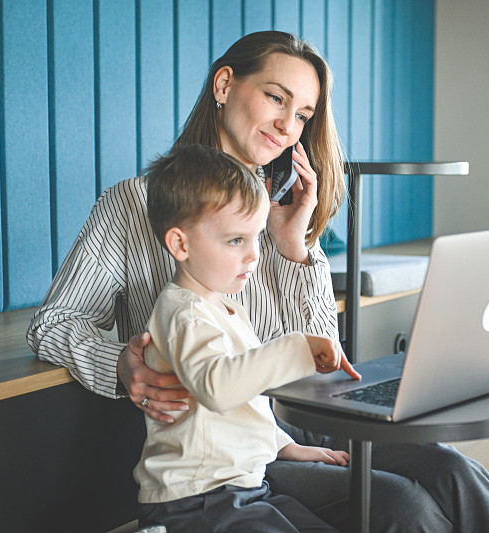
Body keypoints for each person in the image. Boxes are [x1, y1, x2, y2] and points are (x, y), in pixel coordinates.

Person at [27, 30, 489, 532]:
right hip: (226, 453)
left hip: (298, 419)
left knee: (453, 469)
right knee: (405, 506)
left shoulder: (280, 211)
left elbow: (322, 354)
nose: (289, 127)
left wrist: (295, 248)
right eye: (275, 98)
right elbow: (53, 324)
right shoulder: (131, 206)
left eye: (304, 115)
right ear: (224, 85)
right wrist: (119, 366)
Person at [136, 143, 360, 532]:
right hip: (196, 501)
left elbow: (243, 404)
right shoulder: (184, 313)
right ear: (180, 244)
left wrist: (286, 445)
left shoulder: (226, 307)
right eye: (236, 240)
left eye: (256, 237)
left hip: (243, 490)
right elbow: (218, 388)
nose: (254, 255)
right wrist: (297, 346)